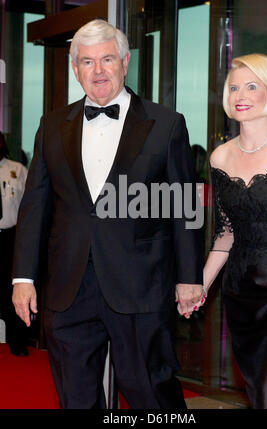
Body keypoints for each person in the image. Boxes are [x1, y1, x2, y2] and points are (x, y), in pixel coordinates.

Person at [11, 19, 203, 409]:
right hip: (68, 289)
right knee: (76, 398)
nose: (98, 71)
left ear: (125, 62)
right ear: (75, 68)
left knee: (151, 394)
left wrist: (189, 278)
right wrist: (23, 277)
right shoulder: (51, 126)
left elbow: (184, 208)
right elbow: (35, 206)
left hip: (140, 286)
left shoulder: (166, 124)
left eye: (107, 59)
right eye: (87, 62)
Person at [191, 53, 267, 408]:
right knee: (259, 393)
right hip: (240, 293)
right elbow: (225, 233)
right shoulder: (220, 157)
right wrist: (201, 286)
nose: (241, 93)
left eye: (252, 86)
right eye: (234, 86)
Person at [0, 131, 28, 356]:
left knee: (13, 289)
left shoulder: (18, 170)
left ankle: (17, 343)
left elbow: (31, 205)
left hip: (11, 237)